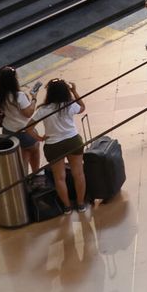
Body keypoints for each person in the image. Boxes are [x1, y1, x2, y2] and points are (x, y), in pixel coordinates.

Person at [35, 79, 88, 214]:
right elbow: (82, 107)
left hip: (53, 145)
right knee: (78, 173)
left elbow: (28, 127)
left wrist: (40, 138)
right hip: (73, 141)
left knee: (59, 178)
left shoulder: (43, 109)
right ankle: (81, 204)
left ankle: (67, 207)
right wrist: (75, 91)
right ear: (65, 91)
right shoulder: (69, 105)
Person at [0, 66, 41, 175]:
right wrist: (34, 99)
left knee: (21, 159)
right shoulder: (19, 96)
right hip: (24, 132)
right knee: (34, 151)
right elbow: (28, 113)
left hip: (8, 132)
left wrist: (0, 111)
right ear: (14, 80)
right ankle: (36, 176)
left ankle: (23, 184)